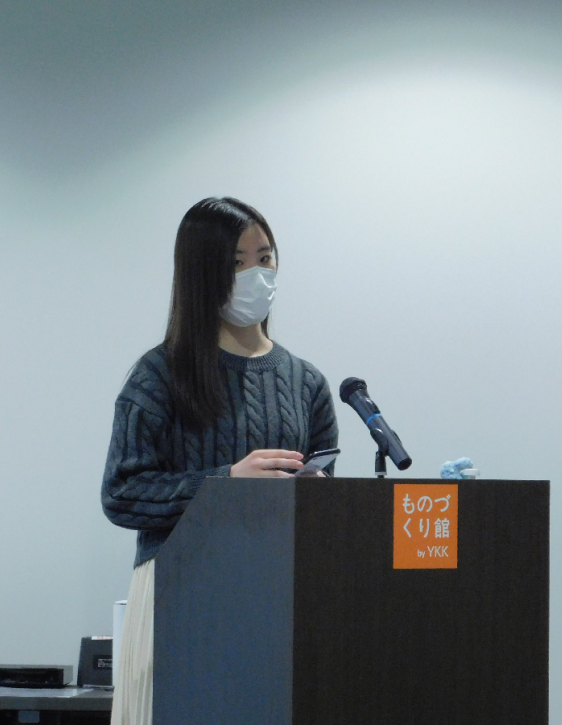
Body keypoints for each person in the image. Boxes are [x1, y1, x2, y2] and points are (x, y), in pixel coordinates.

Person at [101, 197, 338, 725]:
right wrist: (225, 483)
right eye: (236, 262)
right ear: (201, 273)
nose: (257, 274)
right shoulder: (160, 375)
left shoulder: (306, 382)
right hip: (182, 594)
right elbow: (121, 493)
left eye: (265, 258)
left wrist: (320, 496)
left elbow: (324, 502)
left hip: (279, 600)